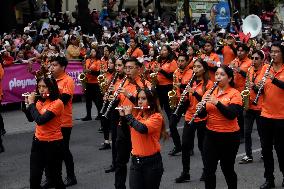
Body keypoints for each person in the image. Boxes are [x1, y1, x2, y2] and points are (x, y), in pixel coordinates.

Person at [197, 65, 242, 189]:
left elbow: (231, 115)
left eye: (222, 75)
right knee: (209, 170)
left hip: (229, 136)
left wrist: (216, 102)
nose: (218, 77)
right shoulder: (209, 92)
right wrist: (200, 109)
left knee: (227, 169)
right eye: (216, 74)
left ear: (229, 78)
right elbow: (203, 115)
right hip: (211, 134)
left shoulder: (235, 93)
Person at [117, 88, 166, 189]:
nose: (139, 101)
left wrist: (129, 116)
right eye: (138, 98)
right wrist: (123, 117)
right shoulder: (137, 116)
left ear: (151, 101)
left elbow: (142, 129)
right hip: (136, 162)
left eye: (144, 98)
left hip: (152, 164)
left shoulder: (156, 117)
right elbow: (127, 135)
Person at [114, 57, 151, 189]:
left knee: (139, 161)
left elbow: (148, 106)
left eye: (130, 68)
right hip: (122, 125)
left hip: (137, 125)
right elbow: (117, 103)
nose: (127, 71)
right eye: (126, 68)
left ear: (139, 69)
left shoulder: (145, 85)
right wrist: (109, 98)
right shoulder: (120, 83)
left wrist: (129, 95)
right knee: (120, 161)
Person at [23, 74, 65, 189]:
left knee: (55, 178)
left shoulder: (57, 103)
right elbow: (31, 118)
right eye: (39, 86)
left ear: (51, 88)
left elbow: (41, 120)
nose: (41, 89)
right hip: (38, 142)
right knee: (34, 178)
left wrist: (31, 104)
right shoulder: (39, 102)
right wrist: (26, 104)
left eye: (44, 87)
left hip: (53, 144)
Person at [175, 58, 213, 183]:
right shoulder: (191, 82)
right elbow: (188, 101)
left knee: (203, 147)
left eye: (198, 67)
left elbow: (206, 101)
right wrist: (182, 102)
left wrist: (194, 93)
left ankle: (206, 170)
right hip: (189, 116)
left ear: (204, 69)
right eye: (194, 67)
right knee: (185, 145)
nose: (195, 69)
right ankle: (185, 172)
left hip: (202, 117)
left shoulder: (209, 84)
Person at [256, 41, 284, 189]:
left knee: (281, 150)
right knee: (266, 149)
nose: (273, 54)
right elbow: (260, 86)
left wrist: (274, 79)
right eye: (272, 51)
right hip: (265, 115)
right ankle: (269, 179)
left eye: (277, 51)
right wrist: (257, 87)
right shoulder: (266, 68)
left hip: (282, 116)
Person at [49, 56, 77, 187]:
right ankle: (50, 178)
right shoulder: (50, 80)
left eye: (54, 65)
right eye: (51, 65)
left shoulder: (68, 80)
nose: (51, 67)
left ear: (63, 67)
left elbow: (63, 100)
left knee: (64, 151)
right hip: (50, 121)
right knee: (49, 152)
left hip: (64, 122)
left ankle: (71, 177)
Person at [239, 50, 264, 164]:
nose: (253, 60)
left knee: (261, 132)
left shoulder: (265, 71)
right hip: (249, 105)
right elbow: (246, 85)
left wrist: (254, 87)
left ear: (262, 60)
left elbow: (264, 90)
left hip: (260, 106)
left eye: (256, 58)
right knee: (247, 132)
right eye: (252, 58)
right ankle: (248, 155)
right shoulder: (250, 70)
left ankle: (264, 152)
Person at [168, 53, 193, 156]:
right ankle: (178, 146)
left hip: (189, 101)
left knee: (190, 125)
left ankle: (189, 147)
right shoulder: (175, 72)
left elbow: (192, 87)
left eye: (182, 61)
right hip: (178, 101)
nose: (180, 63)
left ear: (187, 62)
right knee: (172, 124)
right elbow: (175, 87)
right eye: (178, 61)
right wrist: (174, 96)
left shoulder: (192, 73)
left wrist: (181, 85)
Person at [230, 43, 253, 142]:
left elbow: (250, 75)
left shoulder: (250, 62)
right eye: (238, 50)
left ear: (247, 52)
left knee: (242, 113)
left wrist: (239, 70)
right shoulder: (235, 61)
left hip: (244, 90)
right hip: (234, 89)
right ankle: (238, 132)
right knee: (237, 112)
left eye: (241, 51)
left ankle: (242, 134)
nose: (239, 52)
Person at [154, 45, 177, 121]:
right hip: (158, 87)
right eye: (161, 50)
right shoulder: (158, 61)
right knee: (157, 109)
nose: (162, 52)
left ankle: (172, 129)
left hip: (167, 87)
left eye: (164, 50)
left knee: (168, 110)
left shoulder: (172, 61)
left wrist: (161, 70)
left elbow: (172, 76)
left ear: (169, 52)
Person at [81, 48, 104, 121]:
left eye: (93, 51)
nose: (92, 52)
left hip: (96, 83)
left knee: (97, 100)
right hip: (88, 82)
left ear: (96, 53)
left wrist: (89, 71)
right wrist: (85, 70)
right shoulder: (87, 60)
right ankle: (88, 115)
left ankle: (99, 115)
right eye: (91, 51)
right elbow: (85, 70)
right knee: (88, 100)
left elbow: (98, 73)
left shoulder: (98, 61)